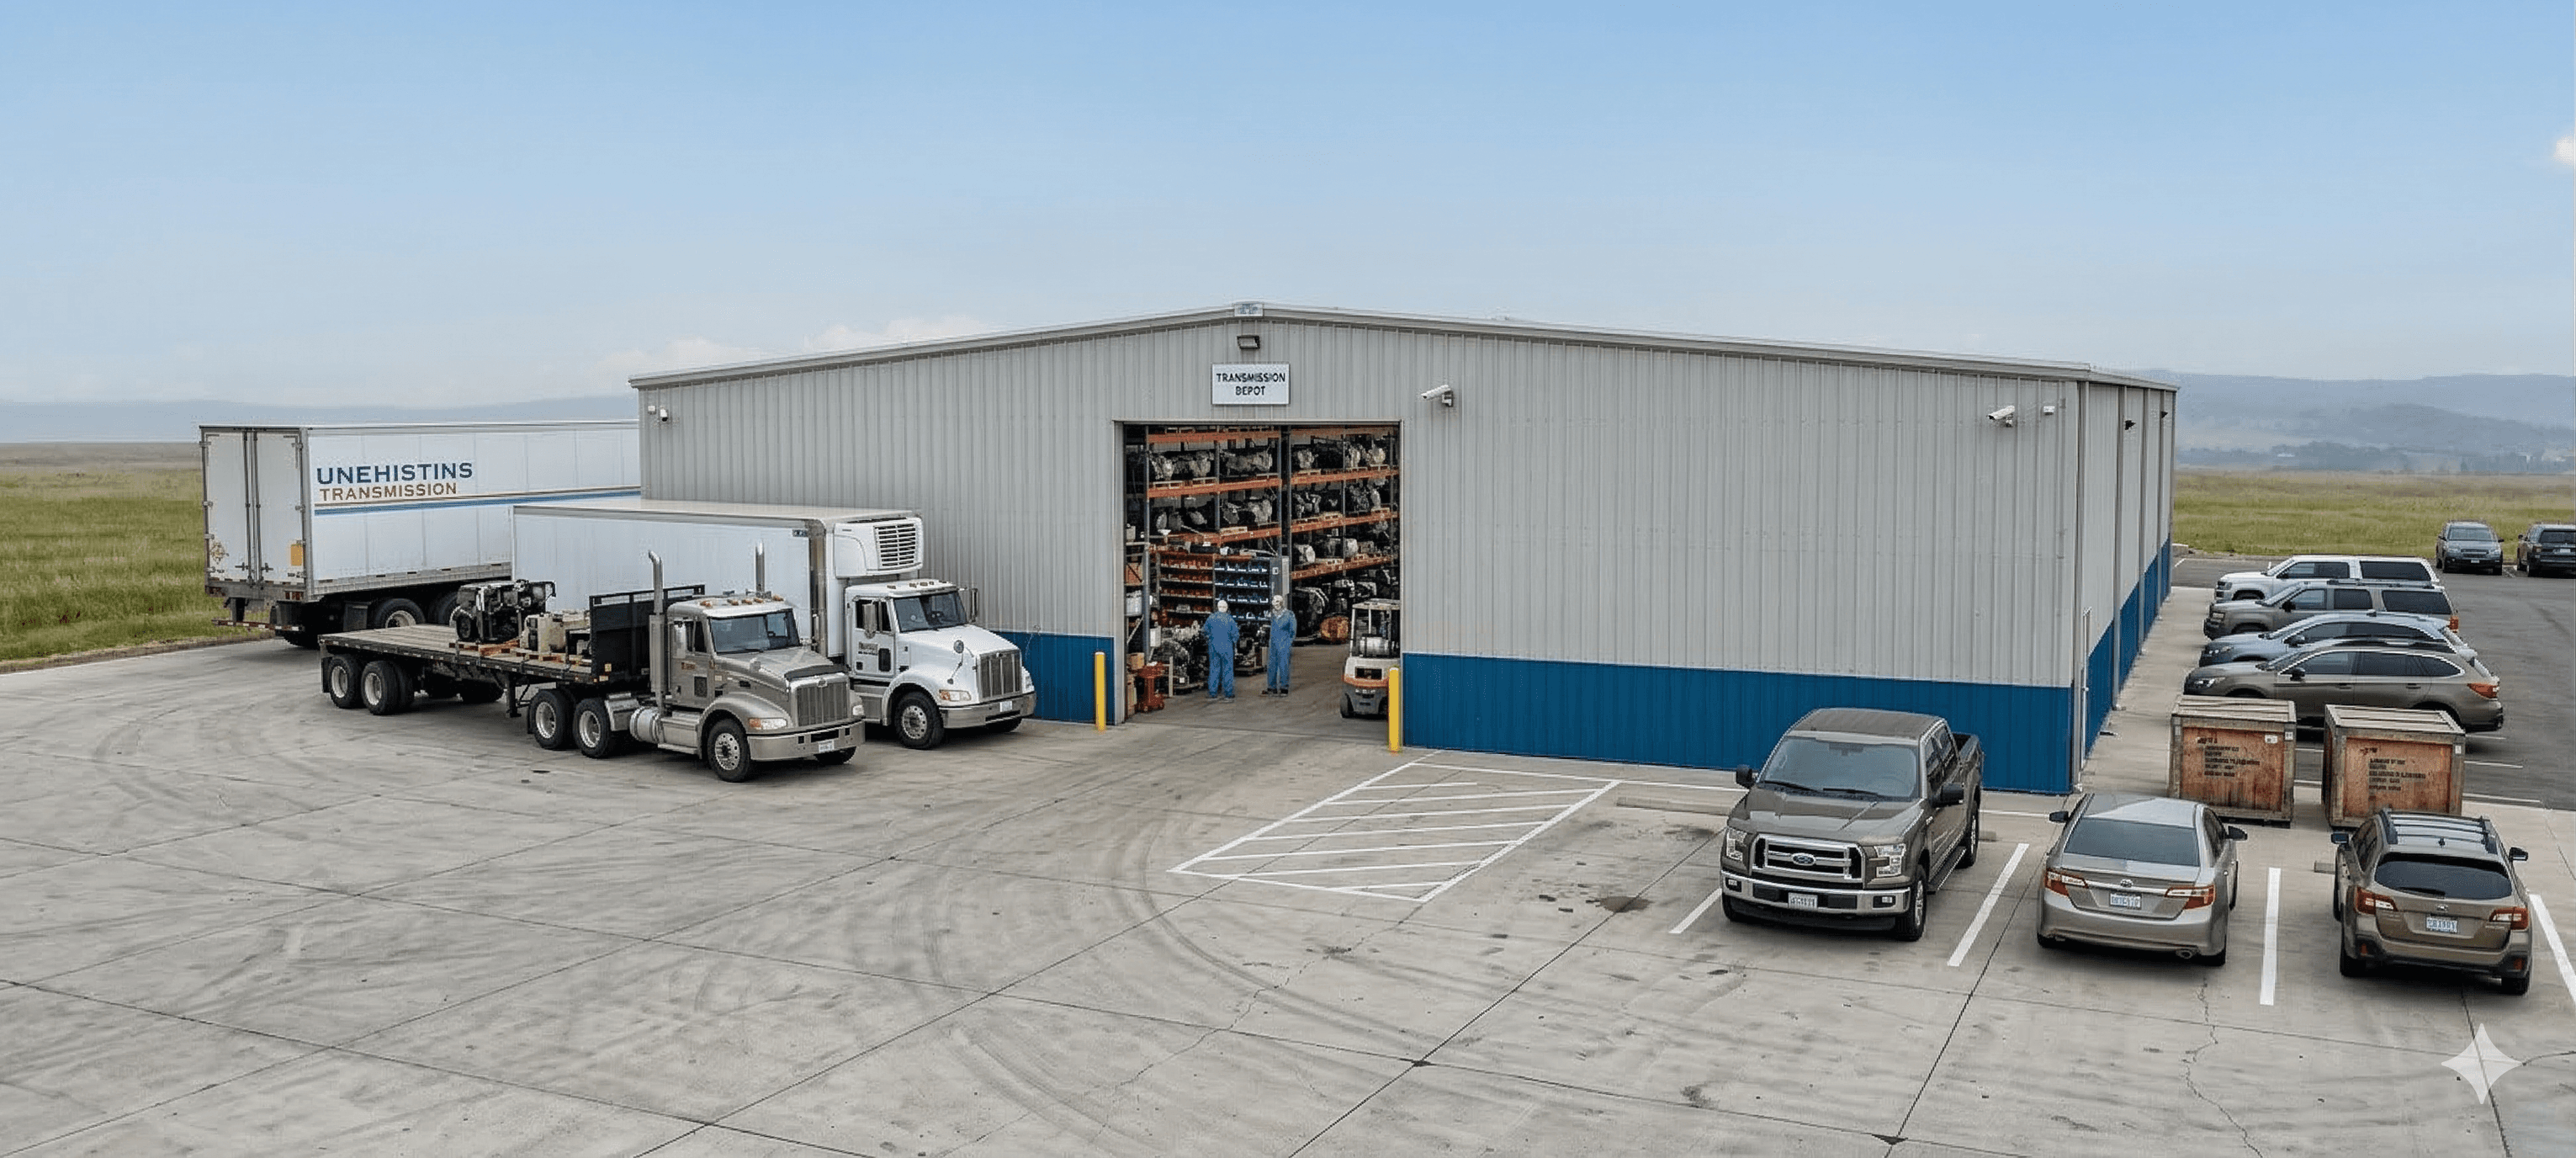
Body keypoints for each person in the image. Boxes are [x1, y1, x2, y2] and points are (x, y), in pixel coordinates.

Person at [1204, 600, 1238, 699]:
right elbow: (1235, 635)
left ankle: (1213, 692)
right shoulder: (1230, 619)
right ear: (1226, 608)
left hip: (1214, 647)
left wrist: (1211, 639)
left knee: (1214, 669)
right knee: (1227, 670)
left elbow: (1205, 631)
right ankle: (1228, 693)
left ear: (1217, 607)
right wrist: (1233, 644)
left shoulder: (1211, 618)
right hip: (1227, 648)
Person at [1264, 595, 1295, 695]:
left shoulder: (1289, 615)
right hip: (1273, 644)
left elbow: (1293, 631)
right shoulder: (1271, 615)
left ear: (1281, 603)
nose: (1275, 603)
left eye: (1277, 601)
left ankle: (1284, 688)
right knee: (1272, 666)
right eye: (1274, 601)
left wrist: (1288, 643)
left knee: (1283, 666)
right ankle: (1271, 688)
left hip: (1284, 644)